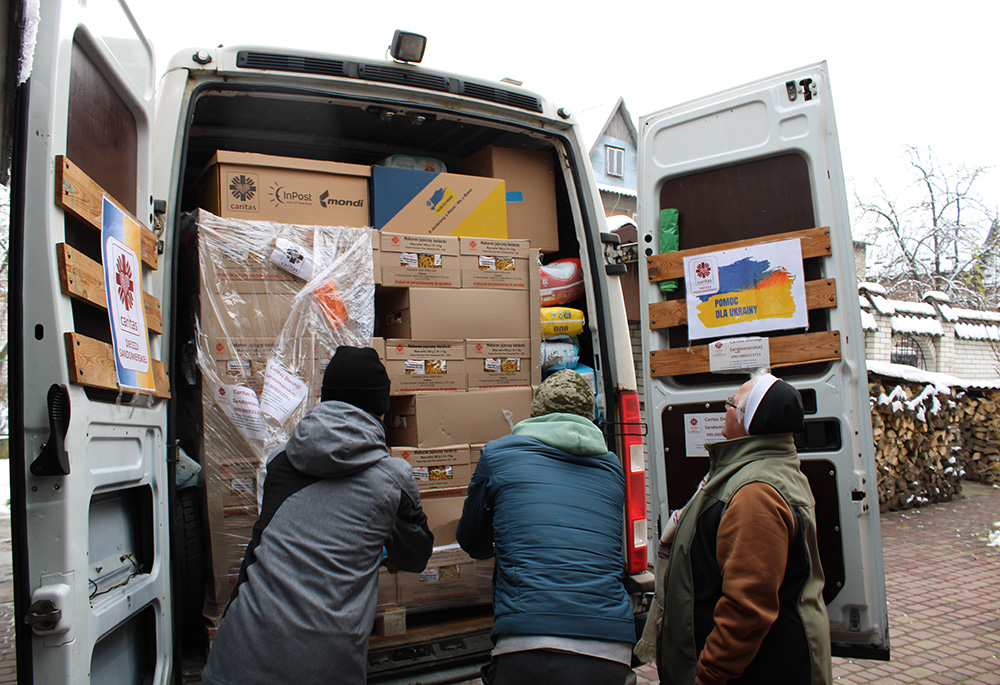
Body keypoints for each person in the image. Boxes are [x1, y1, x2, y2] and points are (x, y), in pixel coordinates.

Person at [202, 346, 434, 685]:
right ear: (380, 410)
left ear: (324, 398)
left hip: (234, 659)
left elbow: (262, 547)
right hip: (322, 669)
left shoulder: (281, 461)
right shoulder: (392, 478)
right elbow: (416, 557)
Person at [456, 369, 635, 685]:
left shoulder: (498, 454)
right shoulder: (612, 466)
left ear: (536, 410)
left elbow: (472, 540)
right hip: (612, 646)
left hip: (529, 642)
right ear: (589, 417)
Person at [657, 370, 832, 685]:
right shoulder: (758, 471)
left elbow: (748, 607)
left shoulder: (756, 492)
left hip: (761, 672)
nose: (724, 408)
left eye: (731, 403)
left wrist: (710, 673)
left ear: (748, 420)